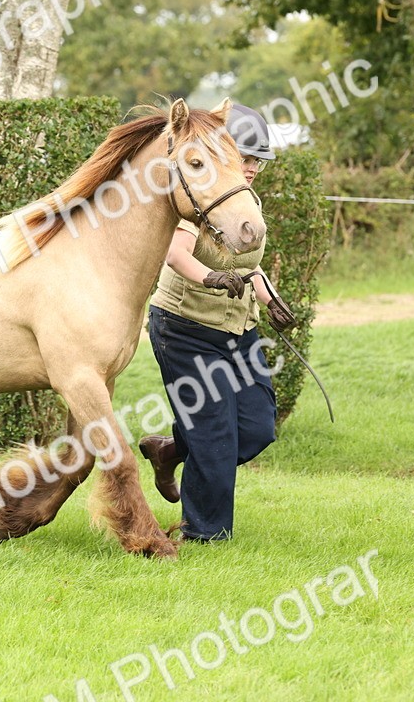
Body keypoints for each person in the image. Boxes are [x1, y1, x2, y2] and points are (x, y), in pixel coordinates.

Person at [139, 103, 296, 542]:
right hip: (185, 328)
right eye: (244, 158)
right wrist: (211, 276)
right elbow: (176, 255)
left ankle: (171, 449)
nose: (251, 168)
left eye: (256, 161)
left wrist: (272, 302)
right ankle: (203, 533)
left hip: (238, 329)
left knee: (258, 426)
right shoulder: (205, 201)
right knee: (214, 433)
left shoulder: (245, 201)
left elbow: (249, 266)